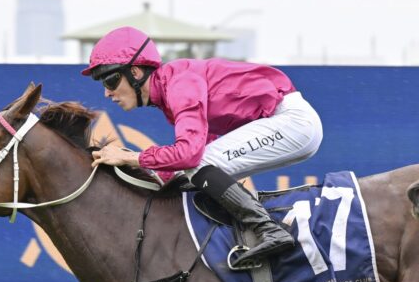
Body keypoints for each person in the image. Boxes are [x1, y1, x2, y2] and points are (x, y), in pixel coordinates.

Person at [82, 26, 324, 266]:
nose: (107, 93)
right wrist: (156, 179)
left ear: (135, 72)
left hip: (293, 122)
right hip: (290, 125)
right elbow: (202, 145)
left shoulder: (180, 83)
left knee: (198, 165)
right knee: (189, 175)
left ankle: (268, 229)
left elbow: (189, 155)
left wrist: (131, 158)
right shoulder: (171, 87)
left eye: (111, 80)